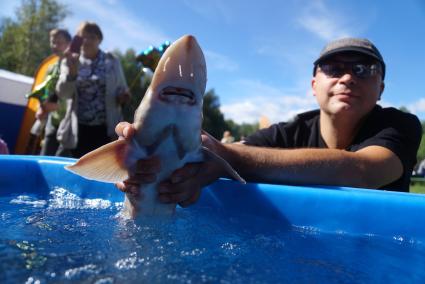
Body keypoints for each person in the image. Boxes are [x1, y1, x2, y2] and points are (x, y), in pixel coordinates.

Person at [115, 37, 422, 207]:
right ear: (313, 84)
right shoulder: (289, 132)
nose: (347, 77)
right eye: (333, 67)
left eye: (363, 69)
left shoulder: (400, 125)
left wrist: (227, 155)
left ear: (381, 87)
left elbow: (362, 171)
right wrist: (172, 164)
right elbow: (225, 152)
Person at [56, 21, 131, 158]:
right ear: (77, 40)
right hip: (76, 130)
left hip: (104, 130)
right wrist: (72, 73)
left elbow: (122, 88)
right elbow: (63, 94)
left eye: (92, 37)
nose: (86, 41)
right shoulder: (69, 60)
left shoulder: (112, 61)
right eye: (82, 37)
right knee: (69, 170)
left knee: (98, 173)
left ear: (100, 39)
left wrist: (123, 96)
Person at [37, 28, 72, 156]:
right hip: (53, 122)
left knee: (62, 163)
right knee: (44, 158)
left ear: (69, 43)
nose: (55, 46)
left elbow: (77, 94)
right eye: (53, 42)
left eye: (59, 42)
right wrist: (41, 107)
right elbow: (45, 92)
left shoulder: (75, 65)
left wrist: (59, 106)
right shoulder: (51, 68)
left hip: (70, 125)